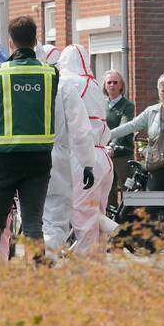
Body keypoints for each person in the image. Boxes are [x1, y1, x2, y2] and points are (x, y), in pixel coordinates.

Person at [0, 16, 57, 263]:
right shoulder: (51, 74)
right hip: (39, 160)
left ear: (11, 43)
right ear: (36, 41)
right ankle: (39, 282)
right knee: (34, 223)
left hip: (3, 160)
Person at [40, 45, 95, 259]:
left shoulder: (19, 81)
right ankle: (45, 261)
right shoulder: (64, 86)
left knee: (31, 217)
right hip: (56, 156)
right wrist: (87, 163)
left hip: (20, 154)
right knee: (55, 217)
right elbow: (80, 129)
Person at [59, 45, 114, 255]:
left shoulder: (68, 82)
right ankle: (97, 261)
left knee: (83, 216)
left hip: (83, 155)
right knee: (96, 214)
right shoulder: (94, 84)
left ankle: (86, 266)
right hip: (103, 155)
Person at [110, 74, 164, 194]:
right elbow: (131, 126)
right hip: (157, 166)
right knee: (152, 205)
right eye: (163, 91)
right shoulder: (151, 112)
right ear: (158, 92)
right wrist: (108, 134)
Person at [103, 70, 135, 207]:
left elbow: (124, 127)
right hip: (105, 155)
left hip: (122, 154)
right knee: (108, 191)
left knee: (127, 190)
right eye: (109, 82)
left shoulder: (127, 106)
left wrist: (112, 146)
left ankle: (128, 224)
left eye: (115, 82)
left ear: (121, 86)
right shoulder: (101, 105)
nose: (112, 85)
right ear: (104, 86)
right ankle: (111, 224)